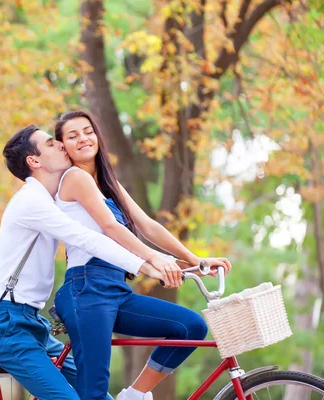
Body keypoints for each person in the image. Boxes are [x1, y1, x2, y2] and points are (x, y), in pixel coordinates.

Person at [0, 124, 177, 400]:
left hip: (30, 322)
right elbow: (88, 239)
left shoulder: (51, 199)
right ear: (34, 161)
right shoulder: (31, 202)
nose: (60, 145)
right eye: (50, 143)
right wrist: (146, 265)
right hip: (5, 322)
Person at [53, 110, 232, 400]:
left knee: (190, 326)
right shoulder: (74, 178)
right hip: (86, 290)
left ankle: (133, 395)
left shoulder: (107, 184)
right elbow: (110, 227)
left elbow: (148, 226)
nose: (83, 139)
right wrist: (154, 259)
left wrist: (196, 260)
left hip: (114, 289)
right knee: (93, 391)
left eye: (88, 131)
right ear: (63, 147)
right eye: (72, 136)